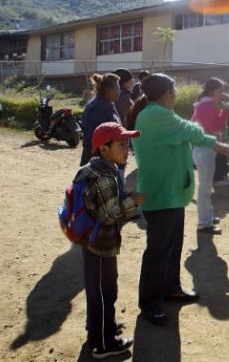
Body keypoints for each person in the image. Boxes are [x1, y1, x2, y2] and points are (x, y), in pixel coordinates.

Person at [130, 74, 229, 325]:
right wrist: (215, 143)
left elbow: (190, 131)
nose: (175, 96)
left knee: (172, 247)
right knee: (158, 252)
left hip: (172, 194)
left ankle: (171, 288)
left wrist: (215, 144)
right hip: (161, 193)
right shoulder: (155, 115)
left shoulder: (160, 113)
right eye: (174, 91)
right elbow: (192, 130)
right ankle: (150, 303)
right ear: (166, 93)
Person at [75, 122, 142, 359]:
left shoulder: (92, 169)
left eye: (127, 143)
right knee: (105, 292)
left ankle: (101, 327)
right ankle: (103, 344)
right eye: (121, 144)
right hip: (101, 243)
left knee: (98, 290)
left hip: (90, 240)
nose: (127, 148)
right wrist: (133, 201)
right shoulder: (104, 178)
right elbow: (108, 215)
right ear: (104, 148)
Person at [191, 78, 229, 234]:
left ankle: (207, 217)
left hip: (205, 149)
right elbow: (214, 127)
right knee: (205, 188)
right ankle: (204, 223)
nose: (222, 94)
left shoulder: (204, 104)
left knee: (205, 187)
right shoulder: (206, 105)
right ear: (212, 91)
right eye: (220, 91)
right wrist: (225, 113)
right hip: (205, 150)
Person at [81, 73, 122, 167]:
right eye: (117, 89)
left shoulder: (108, 103)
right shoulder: (96, 107)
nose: (119, 92)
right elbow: (93, 138)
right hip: (97, 162)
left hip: (109, 159)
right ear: (108, 90)